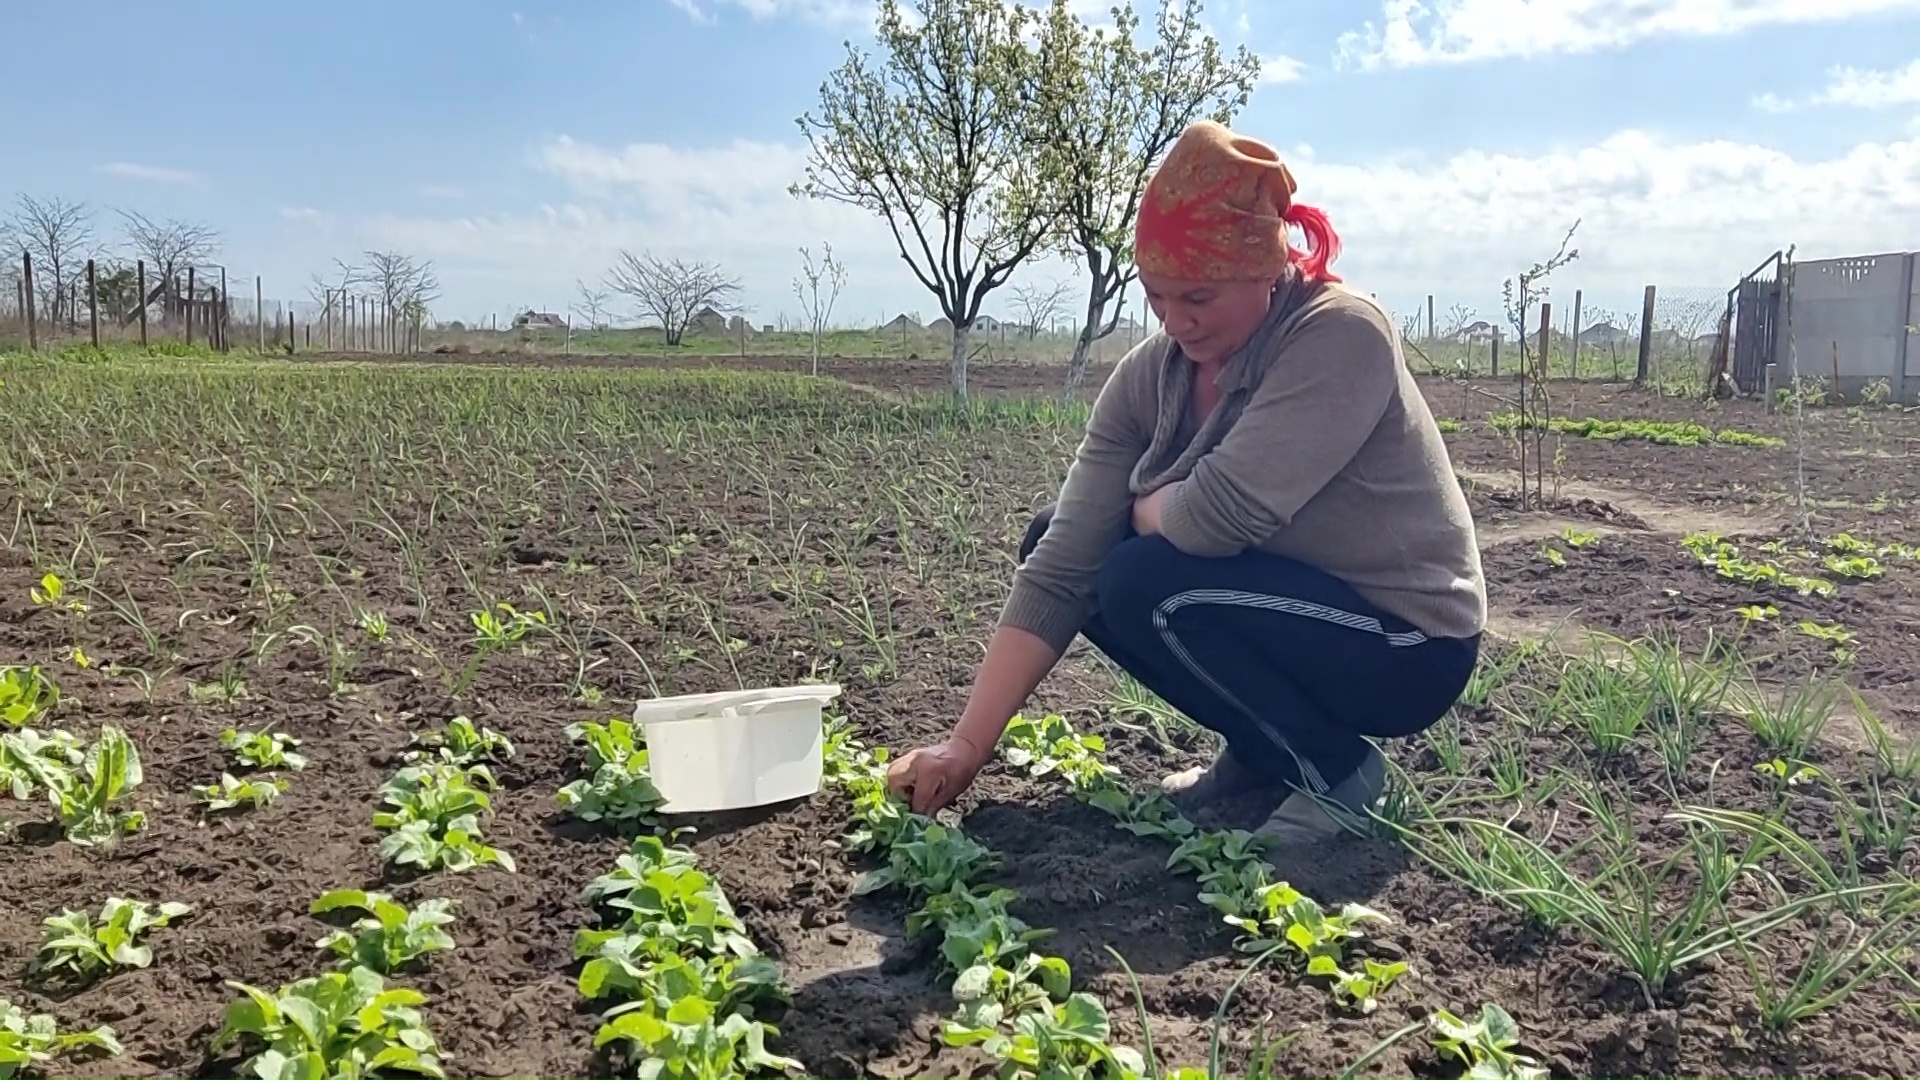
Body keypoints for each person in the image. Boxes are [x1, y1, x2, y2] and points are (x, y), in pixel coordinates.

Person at [884, 119, 1486, 852]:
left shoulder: (1339, 334)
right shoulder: (1151, 374)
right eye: (1158, 297)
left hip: (1406, 643)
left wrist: (1140, 510)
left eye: (1198, 296)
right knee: (1058, 537)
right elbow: (1063, 558)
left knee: (1145, 578)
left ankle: (1336, 770)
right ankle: (1267, 749)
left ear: (1264, 266)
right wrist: (965, 747)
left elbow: (1214, 521)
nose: (1177, 321)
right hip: (1291, 609)